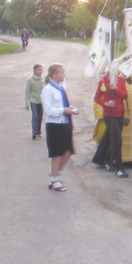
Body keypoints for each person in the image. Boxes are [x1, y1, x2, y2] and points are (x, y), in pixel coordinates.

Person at [41, 63, 77, 192]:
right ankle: (55, 178)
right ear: (54, 74)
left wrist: (70, 109)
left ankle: (55, 174)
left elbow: (62, 105)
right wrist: (64, 110)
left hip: (65, 123)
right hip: (54, 125)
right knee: (56, 153)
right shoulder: (48, 90)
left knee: (68, 150)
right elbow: (48, 110)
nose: (63, 75)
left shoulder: (60, 88)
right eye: (61, 73)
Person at [91, 70, 129, 178]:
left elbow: (124, 95)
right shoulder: (103, 81)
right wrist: (106, 103)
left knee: (111, 139)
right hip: (109, 115)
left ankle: (107, 160)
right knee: (118, 140)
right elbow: (97, 97)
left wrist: (115, 88)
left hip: (119, 114)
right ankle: (119, 168)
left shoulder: (121, 80)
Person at [24, 63, 44, 140]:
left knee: (40, 117)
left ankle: (39, 131)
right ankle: (34, 132)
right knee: (35, 116)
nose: (40, 71)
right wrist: (26, 104)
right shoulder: (30, 80)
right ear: (34, 71)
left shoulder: (43, 79)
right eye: (39, 70)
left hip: (41, 101)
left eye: (41, 69)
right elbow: (27, 92)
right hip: (33, 101)